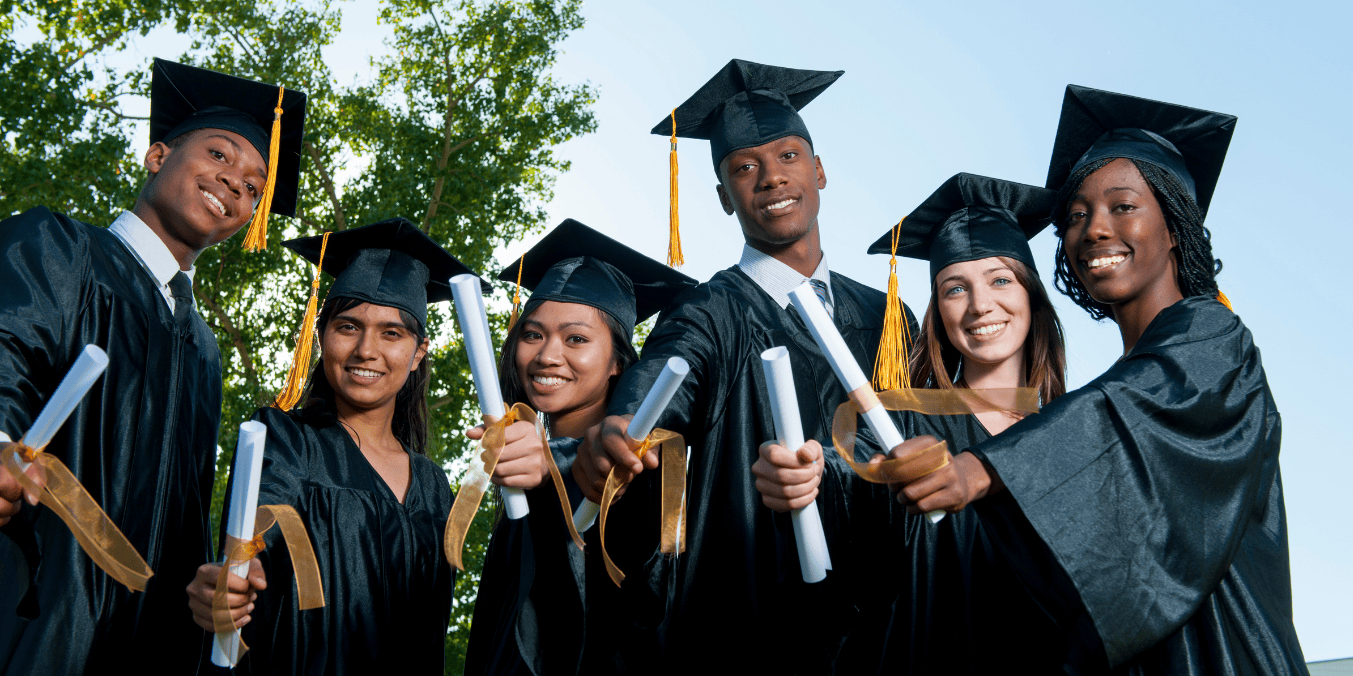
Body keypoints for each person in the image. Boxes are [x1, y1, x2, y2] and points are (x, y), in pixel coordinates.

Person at [899, 86, 1309, 673]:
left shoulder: (1214, 338)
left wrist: (980, 467)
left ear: (1174, 227)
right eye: (1076, 215)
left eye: (1123, 207)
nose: (1093, 229)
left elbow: (1122, 415)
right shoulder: (1118, 380)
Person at [571, 59, 920, 673]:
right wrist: (620, 428)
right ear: (724, 198)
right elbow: (665, 378)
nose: (770, 179)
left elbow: (917, 437)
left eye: (788, 157)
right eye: (744, 168)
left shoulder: (889, 316)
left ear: (820, 170)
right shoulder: (708, 309)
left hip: (883, 617)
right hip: (748, 617)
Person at [0, 58, 305, 674]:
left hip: (150, 643)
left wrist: (205, 588)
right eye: (220, 156)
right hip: (36, 605)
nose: (235, 186)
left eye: (253, 187)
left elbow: (185, 504)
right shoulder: (60, 247)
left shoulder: (203, 347)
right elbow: (7, 349)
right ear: (157, 156)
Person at [756, 172, 1069, 674]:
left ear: (1032, 295)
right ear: (937, 311)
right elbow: (848, 470)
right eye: (954, 288)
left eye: (1000, 280)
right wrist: (807, 473)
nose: (980, 304)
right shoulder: (898, 418)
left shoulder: (1075, 430)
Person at [184, 218, 467, 674]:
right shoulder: (284, 438)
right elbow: (255, 538)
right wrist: (229, 583)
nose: (366, 350)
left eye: (391, 333)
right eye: (348, 327)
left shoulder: (435, 487)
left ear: (418, 354)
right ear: (321, 337)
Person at [463, 219, 696, 676]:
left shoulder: (644, 469)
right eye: (533, 335)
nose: (547, 355)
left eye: (576, 339)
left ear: (616, 363)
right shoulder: (520, 472)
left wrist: (554, 468)